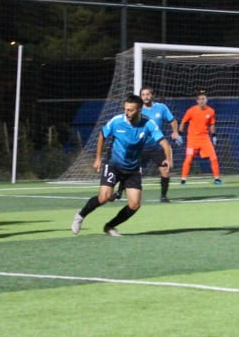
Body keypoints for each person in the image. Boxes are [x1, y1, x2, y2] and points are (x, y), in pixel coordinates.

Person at [71, 94, 171, 236]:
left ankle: (109, 226)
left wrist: (168, 159)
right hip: (113, 165)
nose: (127, 113)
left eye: (130, 110)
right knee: (104, 197)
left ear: (139, 110)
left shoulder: (148, 124)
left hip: (133, 169)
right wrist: (98, 158)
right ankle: (80, 215)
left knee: (134, 205)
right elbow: (102, 135)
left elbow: (164, 143)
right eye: (125, 109)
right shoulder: (117, 121)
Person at [115, 87, 181, 202]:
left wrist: (175, 132)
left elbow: (172, 120)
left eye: (148, 94)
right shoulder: (137, 110)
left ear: (152, 95)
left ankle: (163, 196)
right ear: (140, 97)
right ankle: (119, 191)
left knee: (165, 170)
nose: (146, 97)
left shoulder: (161, 108)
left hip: (157, 147)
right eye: (143, 94)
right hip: (140, 147)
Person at [179, 91, 222, 185]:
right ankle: (183, 180)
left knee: (214, 158)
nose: (201, 101)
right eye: (199, 99)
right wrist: (179, 134)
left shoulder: (211, 111)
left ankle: (217, 179)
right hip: (192, 140)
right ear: (197, 101)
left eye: (203, 99)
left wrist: (214, 136)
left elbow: (212, 124)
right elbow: (183, 122)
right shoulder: (191, 110)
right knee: (188, 159)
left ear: (206, 100)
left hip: (205, 139)